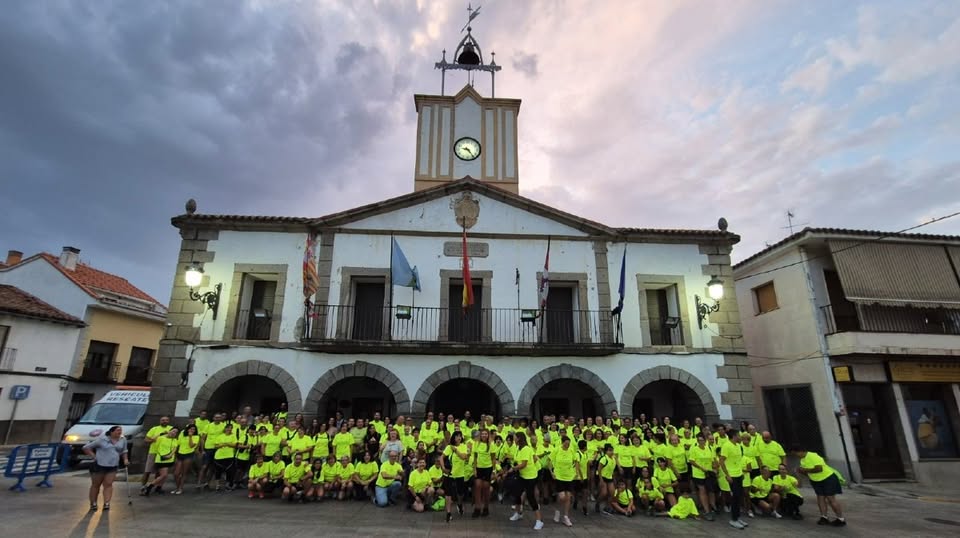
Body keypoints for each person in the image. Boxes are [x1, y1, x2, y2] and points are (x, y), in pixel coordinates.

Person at [794, 446, 846, 527]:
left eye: (795, 453)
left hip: (828, 478)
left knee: (830, 498)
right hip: (816, 481)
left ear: (800, 451)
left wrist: (805, 470)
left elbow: (819, 469)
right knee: (820, 498)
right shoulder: (802, 460)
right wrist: (800, 472)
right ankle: (824, 517)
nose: (795, 456)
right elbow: (808, 474)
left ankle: (841, 519)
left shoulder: (813, 456)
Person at [82, 425, 129, 511]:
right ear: (112, 432)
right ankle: (93, 503)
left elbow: (124, 450)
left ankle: (107, 503)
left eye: (120, 431)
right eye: (118, 430)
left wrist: (125, 459)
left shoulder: (123, 439)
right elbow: (86, 447)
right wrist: (94, 456)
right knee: (96, 485)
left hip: (113, 465)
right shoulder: (102, 440)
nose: (119, 432)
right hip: (100, 465)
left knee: (108, 484)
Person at [506, 432, 544, 531]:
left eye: (515, 438)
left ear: (519, 438)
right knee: (517, 493)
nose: (514, 440)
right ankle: (518, 514)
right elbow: (532, 458)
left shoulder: (526, 449)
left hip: (530, 477)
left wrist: (513, 468)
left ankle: (539, 521)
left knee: (531, 497)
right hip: (522, 476)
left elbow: (523, 464)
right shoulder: (518, 448)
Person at [719, 429, 749, 529]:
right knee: (735, 497)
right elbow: (721, 461)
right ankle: (733, 519)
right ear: (734, 436)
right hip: (732, 475)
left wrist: (741, 473)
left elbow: (738, 461)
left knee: (739, 496)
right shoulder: (726, 446)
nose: (740, 437)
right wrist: (727, 475)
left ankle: (737, 517)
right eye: (739, 436)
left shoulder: (738, 446)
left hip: (739, 474)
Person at [550, 435, 581, 527]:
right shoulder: (557, 450)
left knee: (568, 497)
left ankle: (566, 516)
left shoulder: (571, 450)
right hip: (559, 476)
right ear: (562, 442)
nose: (567, 445)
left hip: (569, 476)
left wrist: (576, 472)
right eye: (566, 444)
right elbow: (549, 461)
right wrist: (552, 472)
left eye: (568, 444)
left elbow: (576, 461)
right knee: (562, 497)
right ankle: (557, 510)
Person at [441, 430, 470, 521]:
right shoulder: (449, 447)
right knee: (448, 494)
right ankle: (448, 513)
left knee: (460, 493)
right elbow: (441, 457)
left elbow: (464, 457)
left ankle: (459, 504)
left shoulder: (463, 446)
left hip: (460, 474)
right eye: (457, 436)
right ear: (453, 437)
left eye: (460, 436)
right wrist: (443, 468)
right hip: (449, 474)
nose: (459, 437)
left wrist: (456, 450)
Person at [143, 427, 179, 496]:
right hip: (161, 459)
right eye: (173, 431)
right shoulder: (161, 438)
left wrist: (170, 455)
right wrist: (161, 433)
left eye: (176, 432)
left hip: (169, 459)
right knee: (164, 475)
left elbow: (175, 448)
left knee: (164, 476)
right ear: (169, 431)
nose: (174, 433)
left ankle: (158, 487)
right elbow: (153, 440)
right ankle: (150, 486)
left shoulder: (175, 440)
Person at [141, 416, 171, 490]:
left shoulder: (171, 429)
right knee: (147, 471)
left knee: (160, 472)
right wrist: (153, 440)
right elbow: (146, 439)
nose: (164, 421)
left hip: (164, 453)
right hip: (153, 452)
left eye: (166, 420)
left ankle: (156, 487)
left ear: (169, 421)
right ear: (160, 421)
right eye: (163, 420)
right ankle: (143, 486)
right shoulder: (154, 429)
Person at [472, 428, 496, 518]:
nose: (484, 435)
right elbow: (474, 457)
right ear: (480, 435)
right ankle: (477, 508)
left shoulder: (491, 444)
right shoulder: (476, 444)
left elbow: (493, 458)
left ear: (488, 435)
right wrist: (474, 469)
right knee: (477, 487)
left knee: (486, 489)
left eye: (486, 434)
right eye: (483, 434)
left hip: (488, 469)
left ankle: (486, 507)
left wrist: (494, 471)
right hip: (478, 468)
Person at [173, 423, 200, 495]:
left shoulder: (196, 437)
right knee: (176, 473)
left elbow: (191, 446)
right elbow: (178, 443)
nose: (192, 430)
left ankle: (180, 488)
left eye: (194, 429)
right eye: (191, 429)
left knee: (183, 473)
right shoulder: (182, 433)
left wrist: (190, 436)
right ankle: (177, 487)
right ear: (187, 429)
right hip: (180, 453)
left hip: (188, 454)